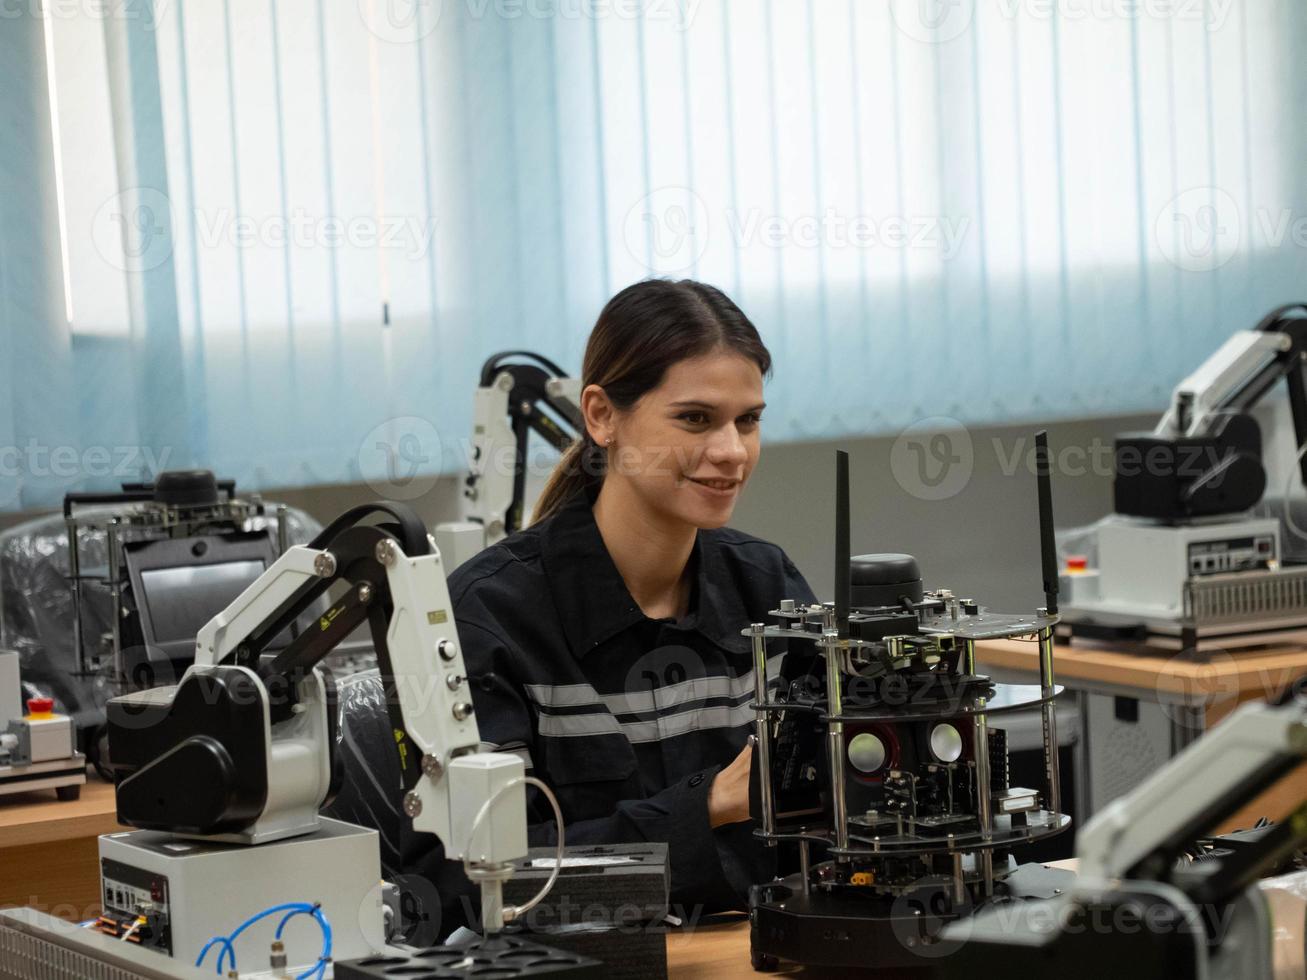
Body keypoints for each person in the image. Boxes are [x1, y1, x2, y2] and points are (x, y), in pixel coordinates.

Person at [440, 278, 815, 917]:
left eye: (747, 421)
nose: (731, 452)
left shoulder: (768, 587)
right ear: (601, 416)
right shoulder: (491, 617)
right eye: (695, 418)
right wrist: (711, 805)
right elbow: (477, 882)